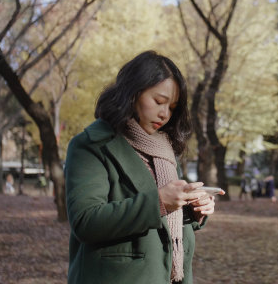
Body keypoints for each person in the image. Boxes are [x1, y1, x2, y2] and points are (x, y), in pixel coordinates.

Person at [64, 51, 219, 284]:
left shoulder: (165, 150)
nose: (165, 114)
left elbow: (165, 217)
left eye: (172, 107)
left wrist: (193, 210)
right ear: (132, 93)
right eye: (159, 101)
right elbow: (86, 221)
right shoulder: (91, 145)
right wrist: (160, 202)